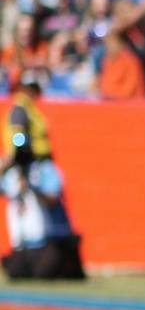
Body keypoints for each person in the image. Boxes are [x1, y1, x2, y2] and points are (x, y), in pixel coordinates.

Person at [2, 116, 83, 281]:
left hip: (47, 241)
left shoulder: (44, 170)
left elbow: (52, 200)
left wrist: (32, 187)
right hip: (22, 243)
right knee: (15, 273)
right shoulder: (11, 175)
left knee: (44, 273)